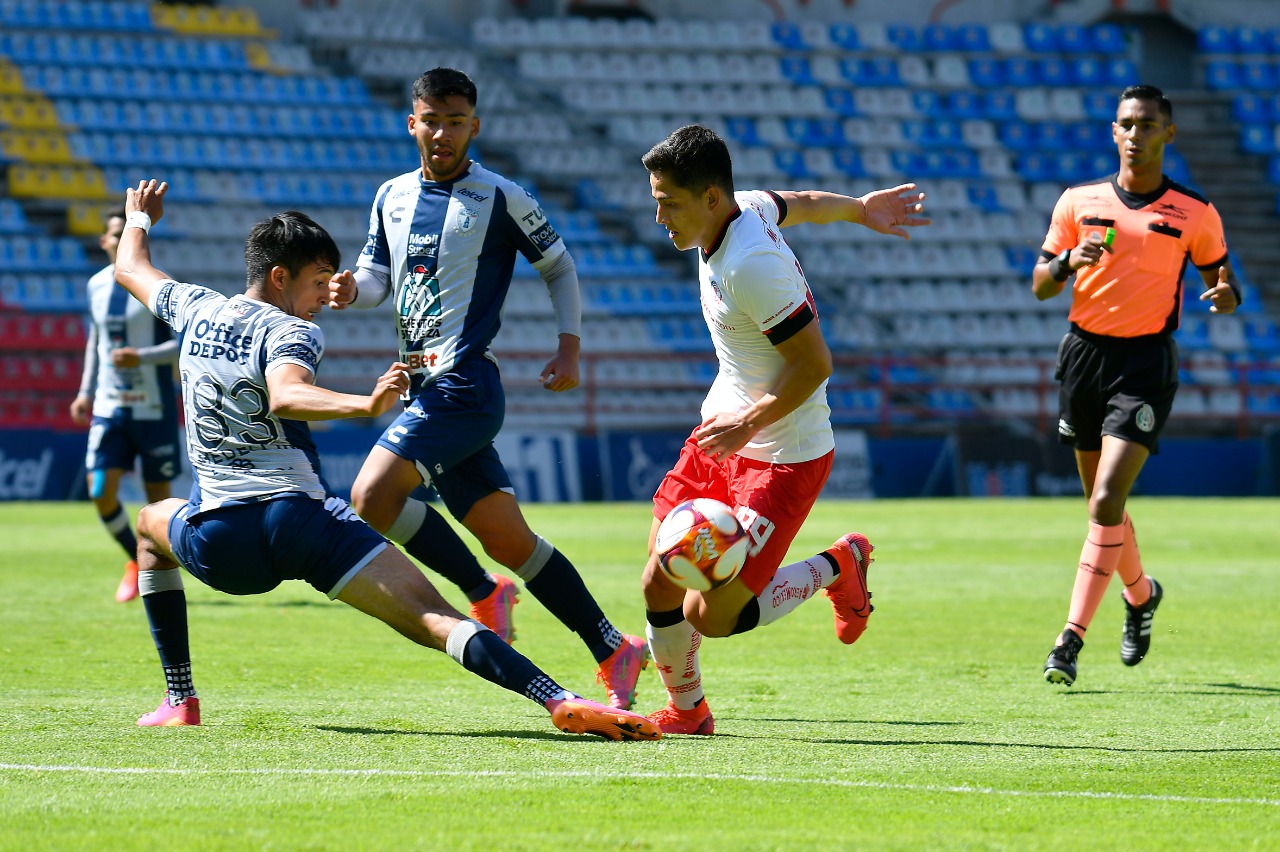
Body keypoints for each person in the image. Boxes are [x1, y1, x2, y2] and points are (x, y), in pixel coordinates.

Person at [112, 179, 659, 742]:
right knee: (435, 615)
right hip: (300, 523)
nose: (324, 297)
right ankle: (557, 698)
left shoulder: (194, 308)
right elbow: (287, 394)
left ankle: (180, 698)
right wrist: (363, 403)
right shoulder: (291, 330)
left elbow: (130, 268)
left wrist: (140, 219)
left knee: (152, 527)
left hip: (221, 541)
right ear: (280, 278)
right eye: (317, 283)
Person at [327, 67, 648, 710]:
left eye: (455, 120)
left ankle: (477, 587)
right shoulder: (389, 195)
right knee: (510, 541)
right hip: (423, 391)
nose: (442, 132)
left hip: (464, 385)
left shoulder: (501, 196)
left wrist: (570, 345)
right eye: (431, 119)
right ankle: (612, 645)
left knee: (370, 496)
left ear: (474, 125)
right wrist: (349, 291)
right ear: (411, 123)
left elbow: (559, 266)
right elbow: (376, 276)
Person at [636, 125, 930, 734]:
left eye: (668, 201)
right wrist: (860, 210)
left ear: (712, 198)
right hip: (724, 432)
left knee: (712, 615)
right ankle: (689, 713)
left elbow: (815, 364)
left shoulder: (752, 265)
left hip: (783, 452)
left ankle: (838, 564)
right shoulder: (736, 214)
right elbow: (803, 203)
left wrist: (750, 420)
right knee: (659, 574)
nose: (658, 213)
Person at [1034, 85, 1240, 686]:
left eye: (1148, 124)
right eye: (1126, 123)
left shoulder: (1193, 211)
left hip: (1145, 364)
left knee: (1104, 501)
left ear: (1167, 135)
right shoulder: (1079, 201)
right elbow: (1039, 285)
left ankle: (1069, 640)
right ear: (1113, 131)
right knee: (1103, 505)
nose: (1135, 133)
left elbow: (1221, 278)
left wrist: (1228, 296)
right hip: (1082, 357)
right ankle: (1141, 595)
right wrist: (1068, 262)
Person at [69, 208, 181, 603]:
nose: (121, 241)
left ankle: (160, 575)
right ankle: (134, 559)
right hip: (110, 405)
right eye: (115, 235)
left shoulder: (160, 285)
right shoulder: (95, 285)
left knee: (156, 504)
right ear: (104, 242)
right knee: (100, 489)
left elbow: (182, 346)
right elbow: (94, 344)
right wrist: (85, 392)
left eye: (129, 234)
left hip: (154, 408)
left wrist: (143, 357)